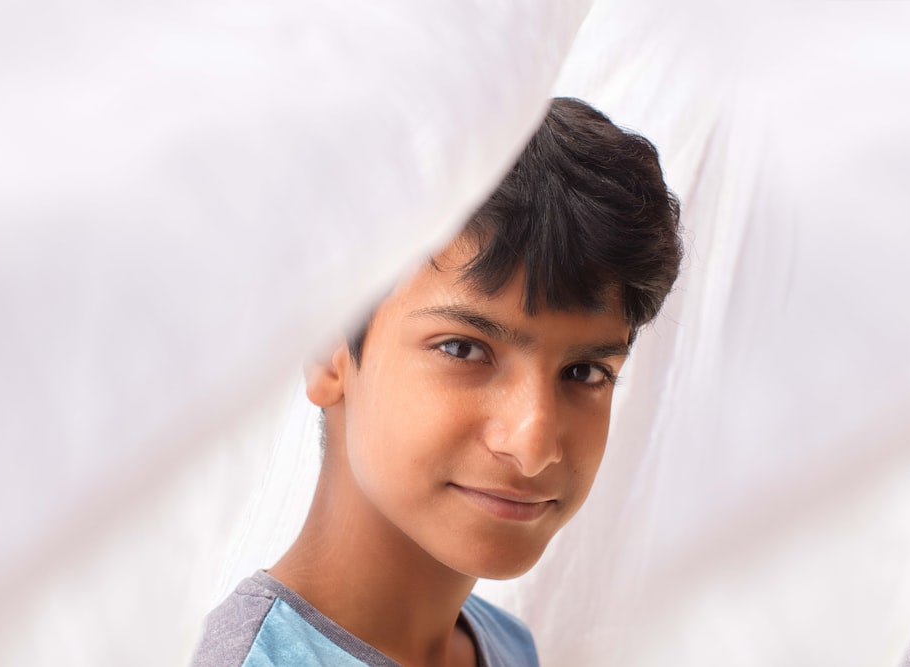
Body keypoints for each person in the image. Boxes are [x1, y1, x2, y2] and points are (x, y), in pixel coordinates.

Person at [190, 97, 683, 667]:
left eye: (584, 372)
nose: (532, 445)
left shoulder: (505, 646)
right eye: (464, 349)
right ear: (328, 353)